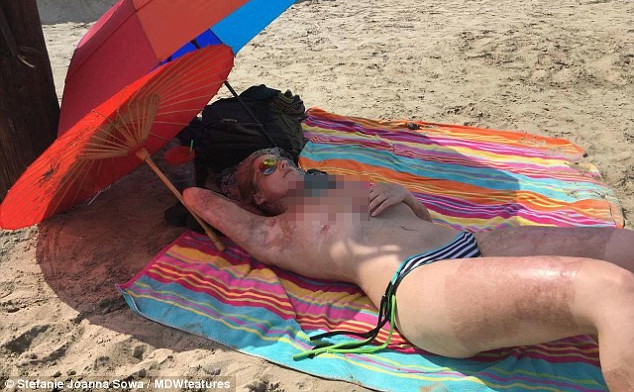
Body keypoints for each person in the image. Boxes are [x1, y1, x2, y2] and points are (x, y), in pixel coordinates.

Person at [183, 148, 634, 392]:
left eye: (282, 155)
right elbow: (197, 200)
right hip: (419, 282)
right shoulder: (273, 232)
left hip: (472, 241)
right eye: (266, 166)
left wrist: (407, 196)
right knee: (606, 289)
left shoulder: (337, 191)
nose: (281, 161)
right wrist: (202, 170)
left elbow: (423, 221)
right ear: (257, 197)